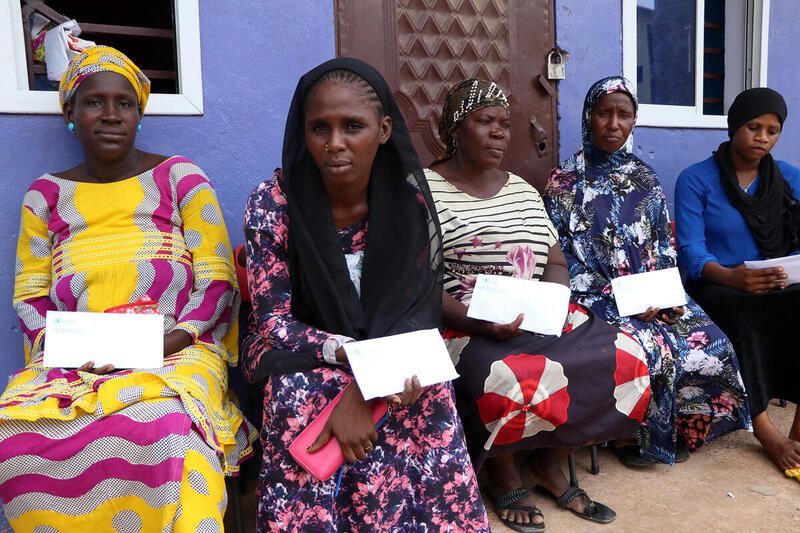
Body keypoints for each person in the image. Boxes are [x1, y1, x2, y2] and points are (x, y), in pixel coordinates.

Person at [0, 46, 255, 530]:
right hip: (76, 357)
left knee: (167, 431)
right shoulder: (45, 195)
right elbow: (30, 296)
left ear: (140, 113)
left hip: (177, 348)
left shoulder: (180, 178)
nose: (112, 115)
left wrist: (163, 344)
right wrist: (69, 350)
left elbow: (218, 281)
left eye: (125, 103)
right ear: (71, 114)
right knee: (14, 436)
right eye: (95, 103)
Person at [242, 58, 489, 532]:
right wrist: (360, 363)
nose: (334, 143)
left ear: (383, 129)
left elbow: (417, 307)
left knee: (429, 392)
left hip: (388, 343)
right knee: (300, 394)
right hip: (295, 346)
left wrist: (371, 380)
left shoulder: (409, 202)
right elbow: (274, 320)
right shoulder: (273, 202)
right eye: (320, 128)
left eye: (352, 126)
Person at [426, 78, 651, 532]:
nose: (498, 133)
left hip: (536, 309)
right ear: (455, 129)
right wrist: (479, 321)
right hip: (463, 317)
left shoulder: (521, 190)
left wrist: (551, 301)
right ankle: (503, 471)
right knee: (510, 375)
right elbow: (417, 282)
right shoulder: (424, 189)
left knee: (623, 354)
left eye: (504, 124)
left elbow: (554, 261)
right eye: (484, 122)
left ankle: (551, 461)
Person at [544, 76, 751, 468]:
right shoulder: (564, 182)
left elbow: (663, 249)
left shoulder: (646, 179)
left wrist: (665, 297)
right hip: (593, 297)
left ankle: (679, 426)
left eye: (623, 115)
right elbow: (562, 259)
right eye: (604, 113)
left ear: (634, 120)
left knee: (713, 343)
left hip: (652, 295)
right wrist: (620, 299)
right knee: (645, 349)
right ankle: (631, 437)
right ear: (589, 118)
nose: (613, 124)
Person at [675, 87, 800, 480]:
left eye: (772, 130)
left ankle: (797, 434)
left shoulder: (790, 178)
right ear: (733, 127)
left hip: (780, 281)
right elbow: (692, 252)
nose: (762, 137)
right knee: (746, 318)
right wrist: (734, 276)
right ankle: (766, 432)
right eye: (753, 127)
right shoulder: (697, 179)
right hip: (720, 284)